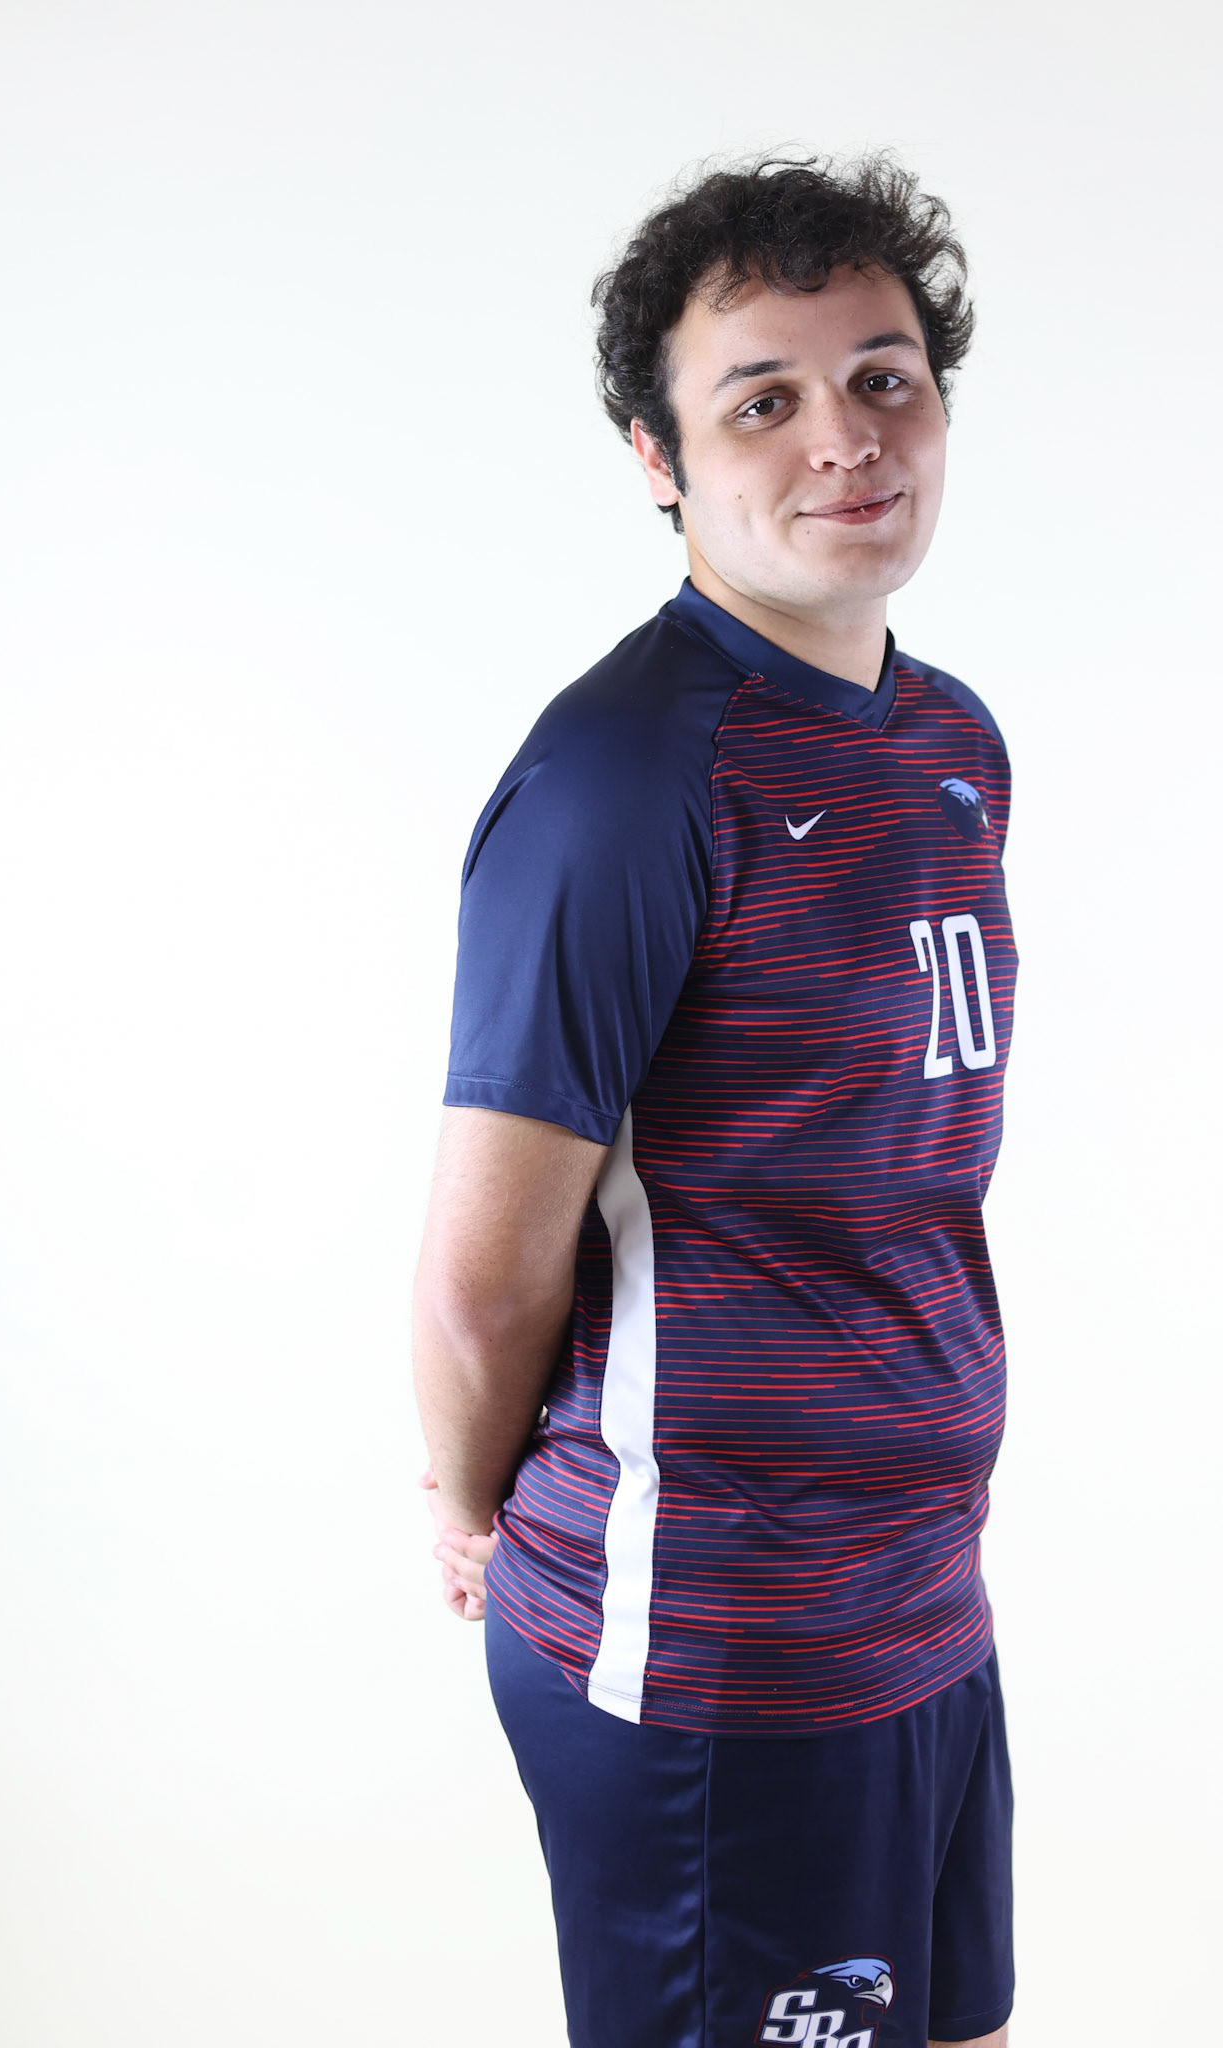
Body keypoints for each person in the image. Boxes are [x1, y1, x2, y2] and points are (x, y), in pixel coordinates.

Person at [412, 149, 1019, 2048]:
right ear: (659, 459)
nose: (845, 436)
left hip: (922, 1603)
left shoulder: (948, 742)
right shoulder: (627, 783)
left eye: (884, 375)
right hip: (722, 1643)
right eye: (764, 398)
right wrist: (467, 1500)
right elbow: (483, 1270)